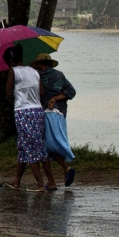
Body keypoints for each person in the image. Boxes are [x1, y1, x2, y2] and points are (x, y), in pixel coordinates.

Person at [4, 44, 48, 192]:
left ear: (11, 60)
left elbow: (8, 94)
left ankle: (40, 184)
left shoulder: (13, 72)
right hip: (38, 112)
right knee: (24, 146)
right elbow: (41, 93)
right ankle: (17, 181)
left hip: (23, 112)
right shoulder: (34, 72)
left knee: (30, 147)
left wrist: (18, 93)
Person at [32, 53, 77, 188]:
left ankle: (58, 175)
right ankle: (60, 173)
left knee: (45, 148)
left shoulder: (36, 76)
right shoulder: (59, 75)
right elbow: (71, 92)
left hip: (46, 114)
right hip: (60, 114)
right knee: (51, 145)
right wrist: (56, 98)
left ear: (39, 64)